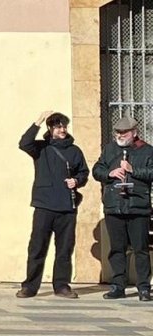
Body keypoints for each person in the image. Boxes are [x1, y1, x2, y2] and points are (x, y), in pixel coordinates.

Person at [17, 110, 88, 299]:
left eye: (64, 126)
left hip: (67, 207)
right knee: (37, 247)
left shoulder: (74, 150)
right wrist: (38, 120)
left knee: (65, 249)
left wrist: (77, 181)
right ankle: (29, 287)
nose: (62, 129)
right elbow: (24, 143)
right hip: (44, 205)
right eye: (58, 126)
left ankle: (62, 286)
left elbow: (83, 172)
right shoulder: (41, 148)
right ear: (50, 128)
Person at [93, 116, 153, 301]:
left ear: (134, 133)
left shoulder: (147, 150)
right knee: (117, 249)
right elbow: (97, 170)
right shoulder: (110, 149)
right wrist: (110, 173)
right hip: (114, 206)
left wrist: (132, 170)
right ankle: (118, 286)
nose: (120, 135)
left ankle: (143, 288)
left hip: (138, 207)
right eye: (117, 132)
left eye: (124, 132)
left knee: (140, 249)